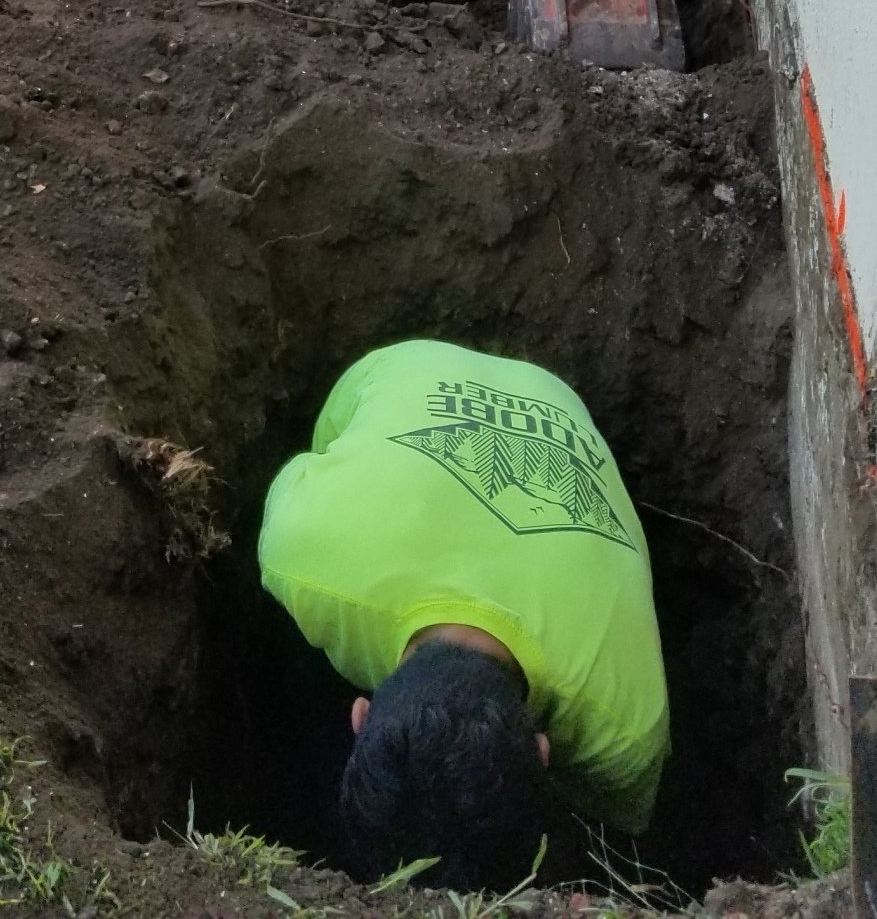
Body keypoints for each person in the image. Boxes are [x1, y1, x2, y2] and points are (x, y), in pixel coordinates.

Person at [258, 338, 670, 890]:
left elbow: (605, 845)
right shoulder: (303, 557)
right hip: (413, 373)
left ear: (361, 716)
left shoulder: (626, 724)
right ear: (542, 752)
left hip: (485, 383)